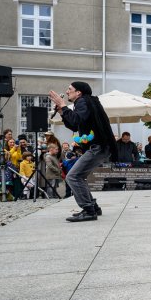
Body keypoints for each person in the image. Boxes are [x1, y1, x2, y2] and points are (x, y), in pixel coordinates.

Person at [50, 82, 118, 222]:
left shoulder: (83, 102)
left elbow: (76, 120)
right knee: (78, 176)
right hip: (100, 146)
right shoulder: (86, 102)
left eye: (70, 89)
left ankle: (88, 210)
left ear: (78, 92)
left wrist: (63, 105)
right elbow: (75, 124)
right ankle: (93, 207)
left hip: (98, 146)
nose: (67, 92)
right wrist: (63, 112)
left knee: (72, 177)